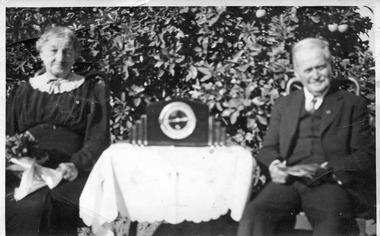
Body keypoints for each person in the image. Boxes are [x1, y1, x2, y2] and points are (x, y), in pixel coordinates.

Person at [237, 38, 375, 236]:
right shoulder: (284, 105)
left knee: (331, 223)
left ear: (330, 66)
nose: (316, 75)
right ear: (297, 73)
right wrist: (275, 166)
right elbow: (268, 149)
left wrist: (331, 172)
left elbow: (366, 154)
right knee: (254, 214)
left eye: (321, 67)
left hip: (328, 183)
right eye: (308, 70)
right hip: (287, 182)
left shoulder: (352, 104)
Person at [6, 26, 111, 236]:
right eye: (53, 50)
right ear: (41, 53)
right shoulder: (23, 91)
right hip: (25, 169)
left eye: (68, 51)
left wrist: (74, 165)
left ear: (75, 56)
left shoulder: (91, 89)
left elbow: (98, 140)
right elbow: (7, 135)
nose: (60, 57)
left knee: (45, 204)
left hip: (71, 171)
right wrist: (13, 160)